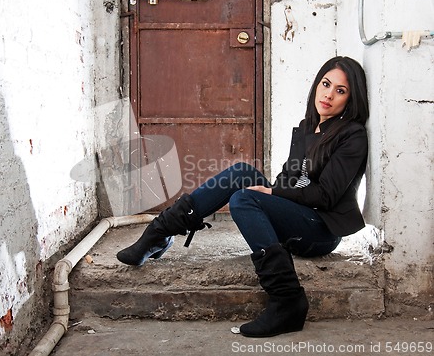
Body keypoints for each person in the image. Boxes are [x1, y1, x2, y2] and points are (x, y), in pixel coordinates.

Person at [117, 56, 369, 338]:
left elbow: (325, 195)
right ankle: (159, 233)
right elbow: (290, 178)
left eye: (340, 91)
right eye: (326, 84)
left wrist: (272, 193)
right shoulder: (307, 126)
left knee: (243, 199)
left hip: (320, 228)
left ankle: (288, 301)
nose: (328, 95)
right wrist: (274, 192)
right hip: (297, 215)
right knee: (241, 173)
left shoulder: (353, 136)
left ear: (351, 99)